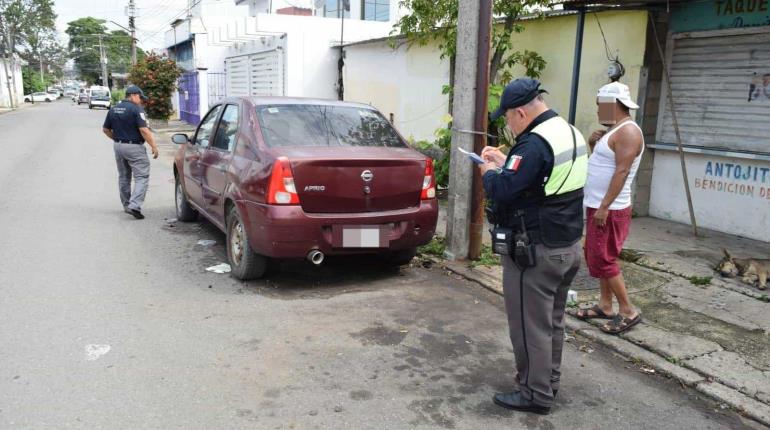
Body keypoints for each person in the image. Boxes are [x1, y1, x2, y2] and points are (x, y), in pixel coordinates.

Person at [480, 78, 587, 415]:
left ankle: (534, 394)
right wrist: (506, 159)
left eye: (508, 118)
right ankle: (548, 381)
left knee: (529, 328)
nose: (508, 124)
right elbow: (540, 179)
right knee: (552, 324)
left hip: (536, 253)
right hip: (567, 246)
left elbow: (503, 190)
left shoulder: (533, 144)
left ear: (522, 112)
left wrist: (487, 171)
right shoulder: (569, 132)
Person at [576, 81, 644, 335]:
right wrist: (596, 145)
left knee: (602, 258)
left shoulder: (628, 132)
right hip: (598, 206)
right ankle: (606, 305)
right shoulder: (615, 131)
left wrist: (605, 206)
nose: (597, 111)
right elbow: (605, 164)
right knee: (600, 256)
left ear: (614, 105)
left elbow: (622, 171)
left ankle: (628, 310)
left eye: (600, 106)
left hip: (610, 209)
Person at [102, 85, 159, 220]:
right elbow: (144, 130)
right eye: (140, 97)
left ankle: (127, 205)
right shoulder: (136, 109)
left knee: (124, 177)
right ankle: (135, 205)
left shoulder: (114, 109)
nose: (141, 101)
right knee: (142, 177)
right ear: (133, 95)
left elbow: (105, 129)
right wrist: (154, 146)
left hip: (118, 146)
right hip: (134, 147)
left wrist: (117, 139)